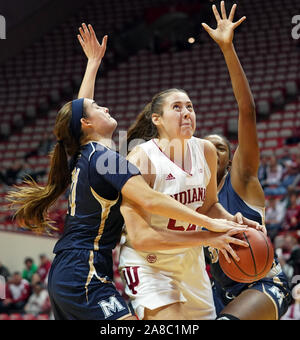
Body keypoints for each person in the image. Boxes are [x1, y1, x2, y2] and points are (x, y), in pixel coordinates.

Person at [8, 23, 249, 321]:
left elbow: (79, 113)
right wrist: (208, 227)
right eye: (98, 107)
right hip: (84, 270)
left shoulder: (88, 153)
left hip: (74, 269)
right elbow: (152, 201)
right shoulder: (108, 160)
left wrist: (93, 64)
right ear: (87, 124)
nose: (106, 107)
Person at [118, 3, 263, 320]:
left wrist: (232, 222)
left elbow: (209, 205)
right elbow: (142, 238)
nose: (187, 113)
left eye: (191, 107)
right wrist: (212, 234)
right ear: (157, 118)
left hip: (191, 260)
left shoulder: (206, 150)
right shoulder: (141, 158)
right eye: (177, 108)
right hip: (148, 261)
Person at [203, 1, 291, 320]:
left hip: (264, 283)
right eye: (207, 146)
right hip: (218, 292)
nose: (213, 150)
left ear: (230, 159)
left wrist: (227, 49)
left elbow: (247, 112)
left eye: (221, 148)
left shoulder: (242, 181)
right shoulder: (193, 201)